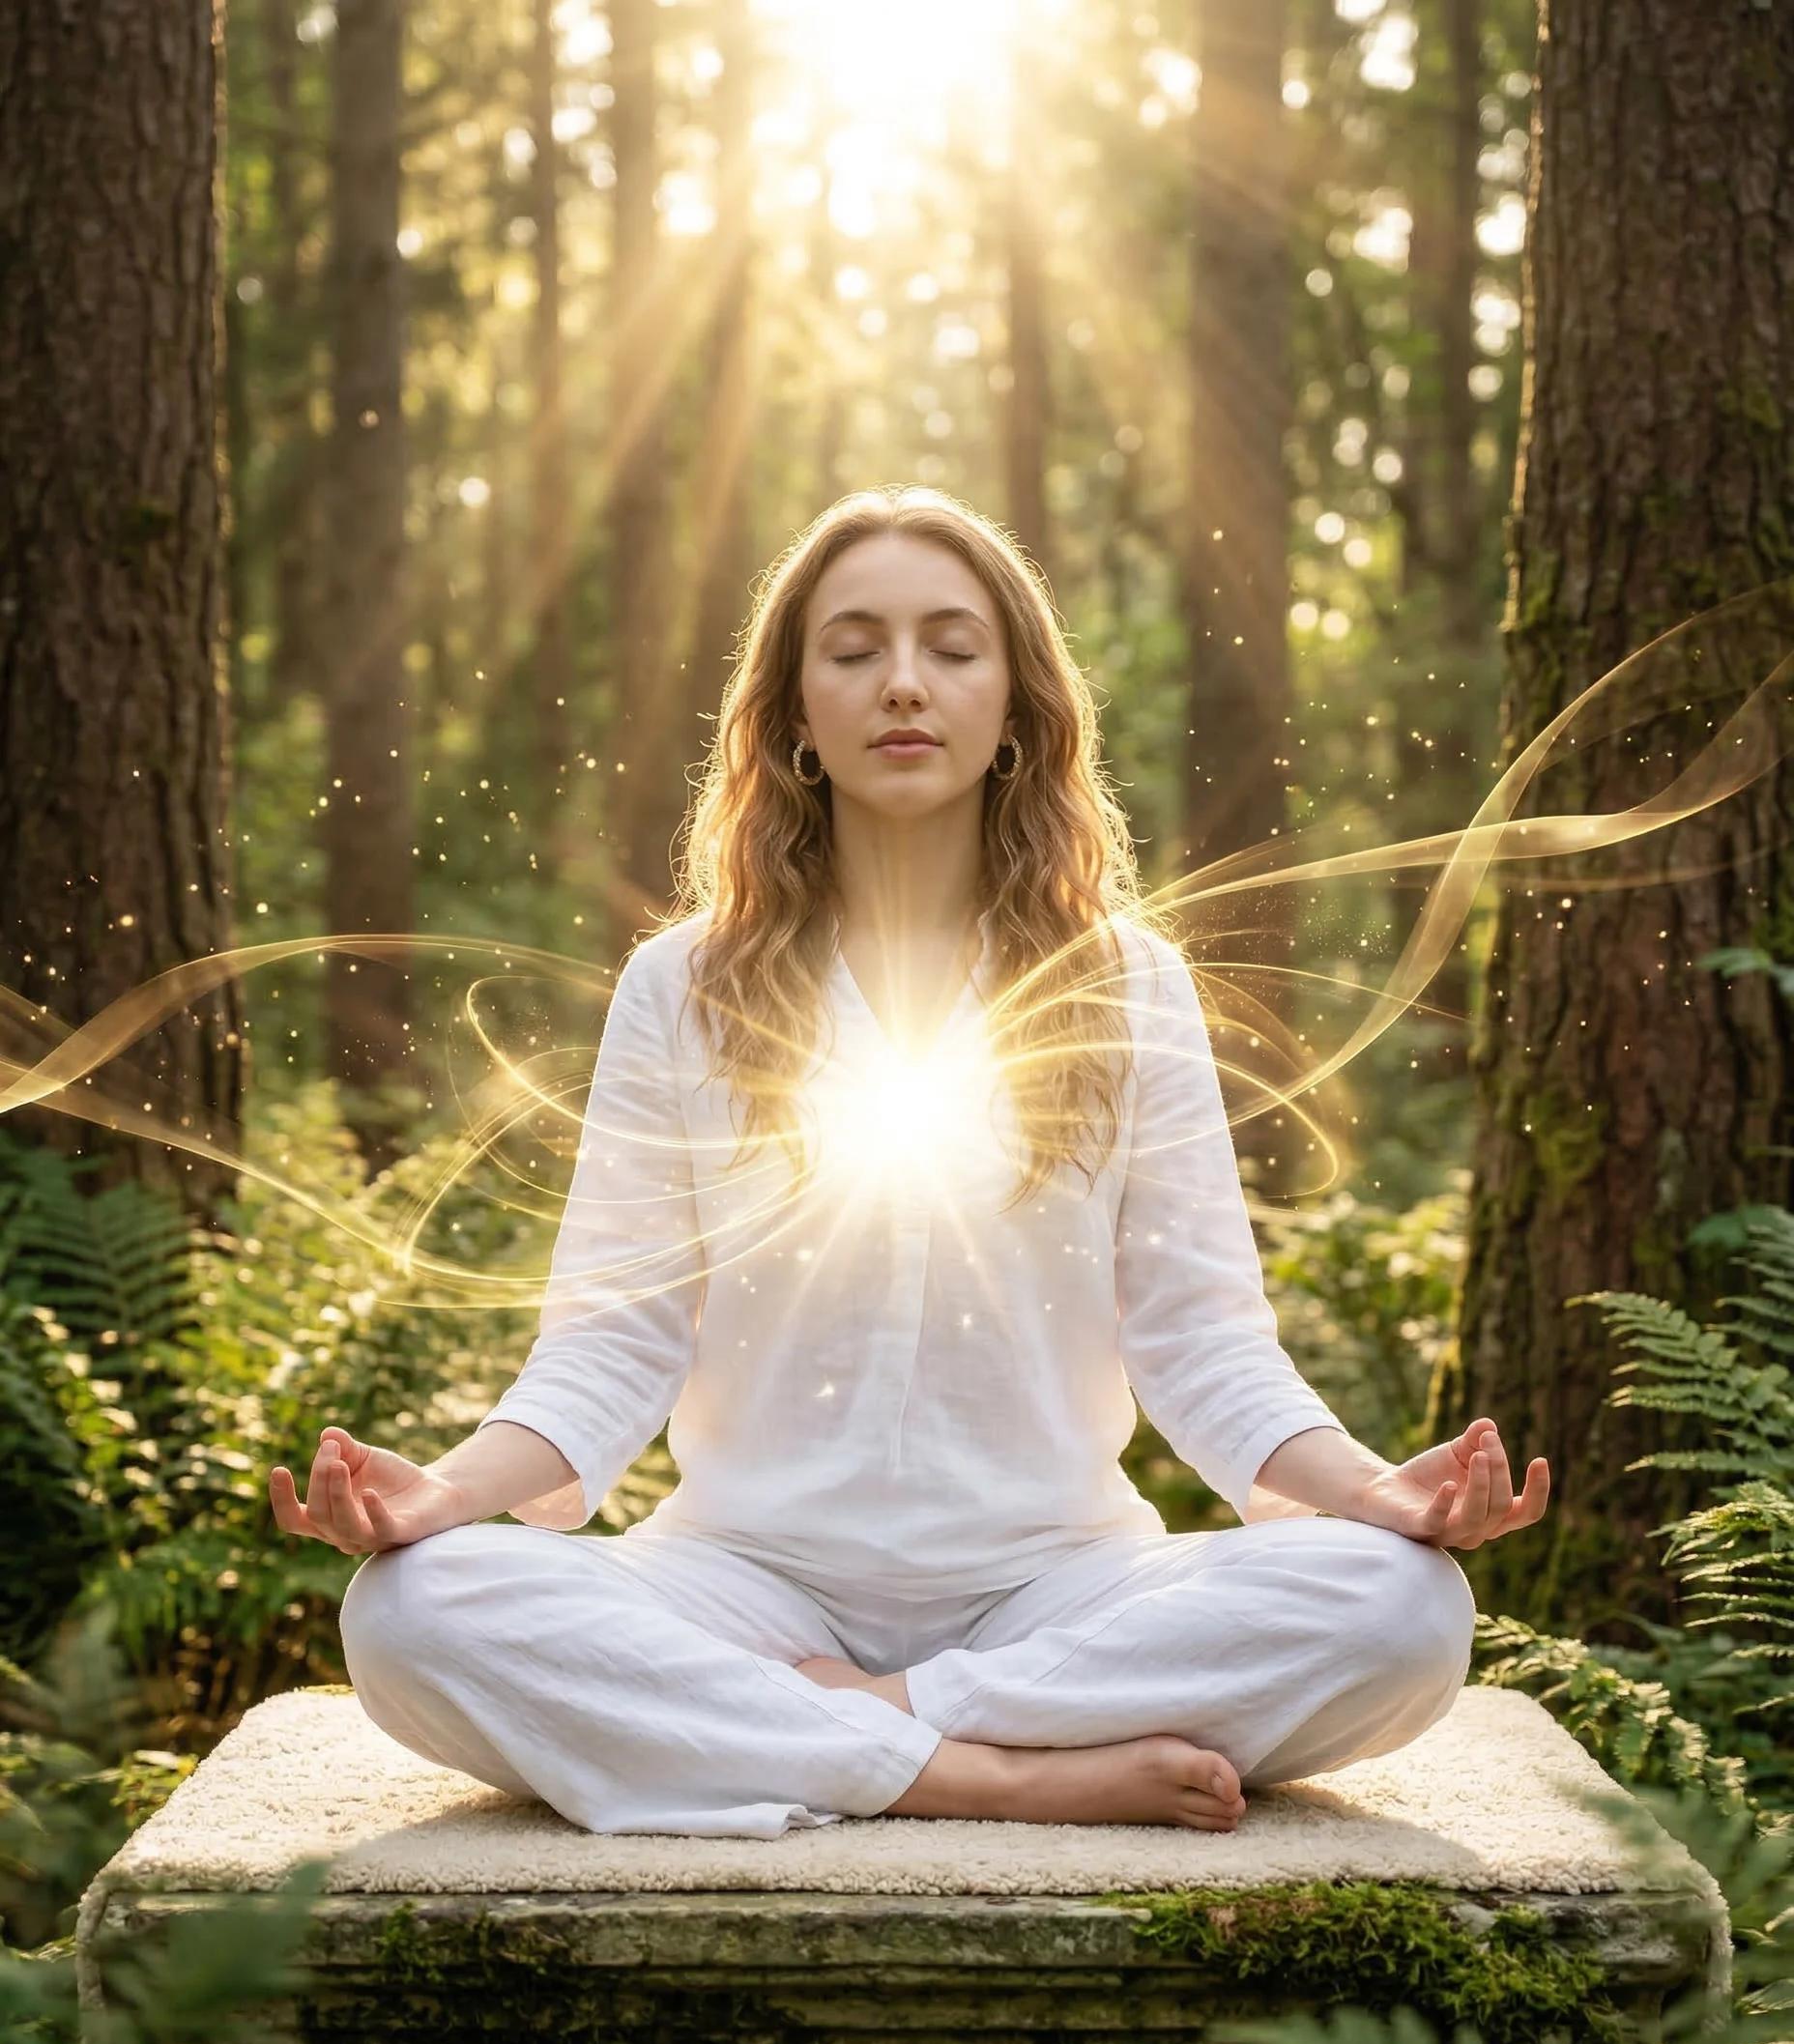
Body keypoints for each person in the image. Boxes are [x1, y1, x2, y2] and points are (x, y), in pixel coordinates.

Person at [270, 487, 1550, 1840]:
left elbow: (1200, 1338)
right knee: (414, 1611)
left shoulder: (1129, 985)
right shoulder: (681, 986)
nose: (902, 683)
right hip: (739, 1583)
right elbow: (611, 1342)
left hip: (1063, 1586)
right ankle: (990, 1769)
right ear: (793, 712)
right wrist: (445, 1493)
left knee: (1404, 1609)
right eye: (853, 646)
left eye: (951, 645)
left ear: (1017, 705)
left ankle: (858, 1723)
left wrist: (1374, 1492)